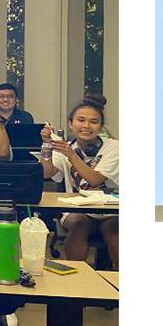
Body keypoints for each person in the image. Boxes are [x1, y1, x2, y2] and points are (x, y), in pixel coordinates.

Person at [41, 98, 120, 266]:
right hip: (78, 209)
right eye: (81, 120)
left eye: (93, 122)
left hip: (110, 210)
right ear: (71, 124)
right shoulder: (67, 147)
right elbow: (48, 173)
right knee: (79, 226)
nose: (86, 126)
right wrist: (46, 146)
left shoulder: (114, 148)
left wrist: (71, 155)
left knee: (114, 232)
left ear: (100, 126)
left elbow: (94, 179)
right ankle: (77, 279)